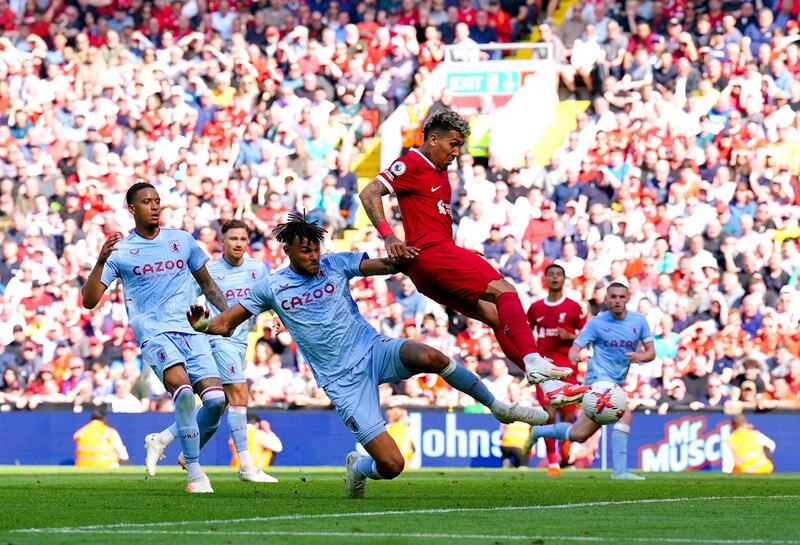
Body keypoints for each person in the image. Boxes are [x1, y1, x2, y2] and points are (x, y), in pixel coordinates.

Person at [187, 214, 548, 498]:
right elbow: (225, 323)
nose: (313, 256)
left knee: (430, 355)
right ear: (287, 252)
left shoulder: (335, 263)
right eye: (305, 251)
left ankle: (497, 406)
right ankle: (359, 467)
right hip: (341, 382)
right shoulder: (272, 286)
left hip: (373, 350)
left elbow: (389, 266)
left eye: (315, 249)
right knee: (392, 465)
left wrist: (442, 261)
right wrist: (203, 326)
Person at [358, 109, 586, 406]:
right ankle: (534, 362)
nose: (456, 152)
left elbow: (431, 224)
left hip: (428, 269)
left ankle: (551, 390)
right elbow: (369, 193)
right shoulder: (412, 162)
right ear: (433, 139)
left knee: (495, 316)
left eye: (460, 146)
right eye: (452, 144)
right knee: (506, 291)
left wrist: (458, 252)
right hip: (433, 256)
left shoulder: (440, 173)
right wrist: (389, 235)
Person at [81, 182, 228, 494]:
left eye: (157, 201)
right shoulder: (120, 251)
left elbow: (208, 282)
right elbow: (89, 300)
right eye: (147, 202)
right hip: (154, 331)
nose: (155, 206)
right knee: (185, 393)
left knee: (216, 401)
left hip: (193, 327)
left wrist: (228, 316)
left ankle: (162, 439)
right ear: (132, 209)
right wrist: (99, 262)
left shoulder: (182, 241)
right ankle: (195, 473)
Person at [144, 219, 277, 483]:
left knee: (220, 403)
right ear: (222, 242)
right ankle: (246, 466)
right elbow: (186, 299)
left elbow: (269, 296)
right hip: (217, 339)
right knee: (239, 393)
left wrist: (277, 316)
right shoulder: (211, 270)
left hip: (241, 342)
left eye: (242, 239)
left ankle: (163, 439)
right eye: (233, 239)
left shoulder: (258, 269)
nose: (238, 243)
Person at [528, 281, 655, 480]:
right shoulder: (597, 322)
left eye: (622, 297)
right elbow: (576, 346)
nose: (617, 301)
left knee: (579, 434)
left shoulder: (639, 322)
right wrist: (574, 355)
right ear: (606, 299)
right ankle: (619, 472)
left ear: (628, 299)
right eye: (613, 297)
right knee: (624, 414)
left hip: (617, 380)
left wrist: (640, 356)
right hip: (598, 379)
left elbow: (651, 353)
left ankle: (540, 431)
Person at [527, 264, 586, 476]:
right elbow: (525, 332)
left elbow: (586, 335)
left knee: (567, 417)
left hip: (568, 369)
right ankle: (552, 462)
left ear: (564, 280)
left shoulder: (573, 307)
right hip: (544, 369)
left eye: (558, 275)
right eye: (551, 274)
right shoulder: (535, 308)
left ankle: (565, 454)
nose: (554, 278)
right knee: (548, 414)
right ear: (545, 279)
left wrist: (569, 337)